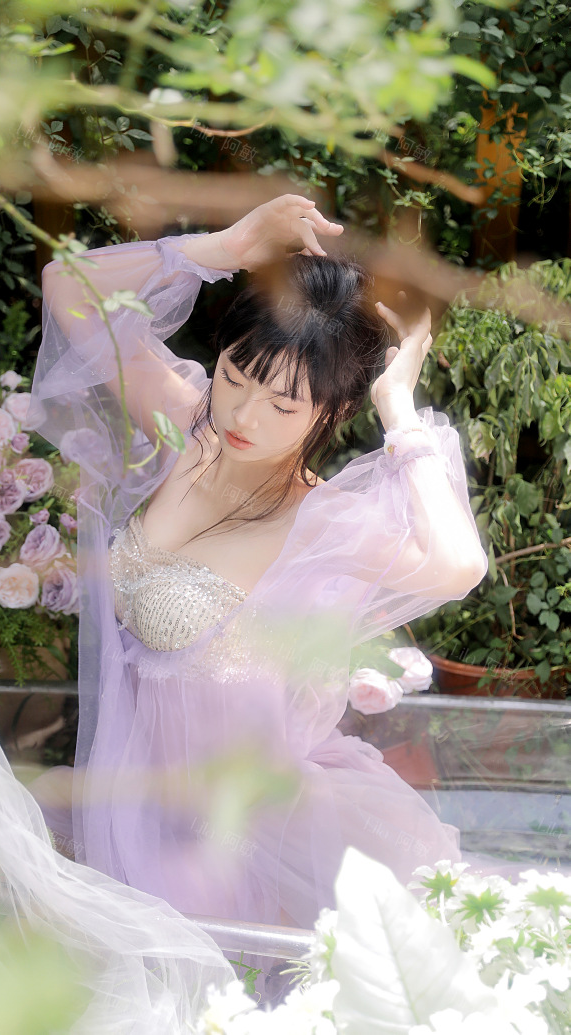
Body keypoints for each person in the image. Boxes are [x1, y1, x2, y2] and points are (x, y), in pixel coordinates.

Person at [26, 194, 488, 964]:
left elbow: (459, 564)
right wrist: (229, 245)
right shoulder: (184, 428)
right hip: (134, 799)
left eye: (284, 403)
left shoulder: (325, 521)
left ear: (330, 410)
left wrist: (399, 409)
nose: (244, 414)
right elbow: (66, 287)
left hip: (243, 836)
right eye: (237, 373)